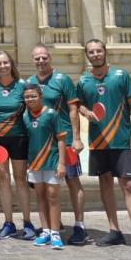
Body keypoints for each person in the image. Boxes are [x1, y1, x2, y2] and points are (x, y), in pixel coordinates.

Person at [77, 39, 131, 259]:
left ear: (105, 52)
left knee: (129, 185)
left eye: (98, 51)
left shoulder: (121, 76)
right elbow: (79, 104)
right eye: (91, 52)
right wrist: (85, 112)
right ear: (87, 55)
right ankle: (114, 230)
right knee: (105, 185)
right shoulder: (83, 80)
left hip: (122, 141)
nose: (95, 54)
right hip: (98, 142)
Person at [27, 44, 87, 244]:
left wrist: (76, 137)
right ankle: (53, 225)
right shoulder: (30, 82)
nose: (41, 61)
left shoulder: (62, 79)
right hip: (41, 145)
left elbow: (73, 109)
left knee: (72, 181)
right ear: (33, 60)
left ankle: (79, 225)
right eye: (37, 58)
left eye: (44, 57)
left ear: (50, 58)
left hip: (65, 139)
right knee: (43, 187)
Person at [0, 50, 35, 240]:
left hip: (19, 137)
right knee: (3, 180)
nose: (2, 66)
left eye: (5, 63)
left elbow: (34, 110)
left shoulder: (22, 86)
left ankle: (27, 222)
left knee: (20, 180)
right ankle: (8, 223)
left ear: (11, 64)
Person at [22, 82, 67, 249]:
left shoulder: (51, 114)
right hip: (34, 163)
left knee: (53, 197)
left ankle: (55, 232)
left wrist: (62, 163)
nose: (30, 99)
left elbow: (61, 139)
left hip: (52, 162)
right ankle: (46, 231)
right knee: (40, 197)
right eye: (27, 97)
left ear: (40, 96)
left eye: (33, 95)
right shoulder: (25, 116)